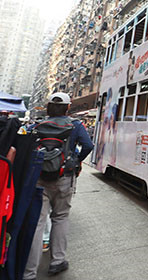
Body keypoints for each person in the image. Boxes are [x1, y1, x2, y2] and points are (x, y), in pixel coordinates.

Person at [24, 92, 95, 279]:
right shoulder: (76, 125)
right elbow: (88, 145)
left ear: (48, 107)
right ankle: (57, 261)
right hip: (65, 178)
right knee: (61, 217)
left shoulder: (37, 125)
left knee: (38, 223)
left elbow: (25, 145)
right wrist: (76, 161)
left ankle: (29, 272)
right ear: (68, 107)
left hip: (39, 179)